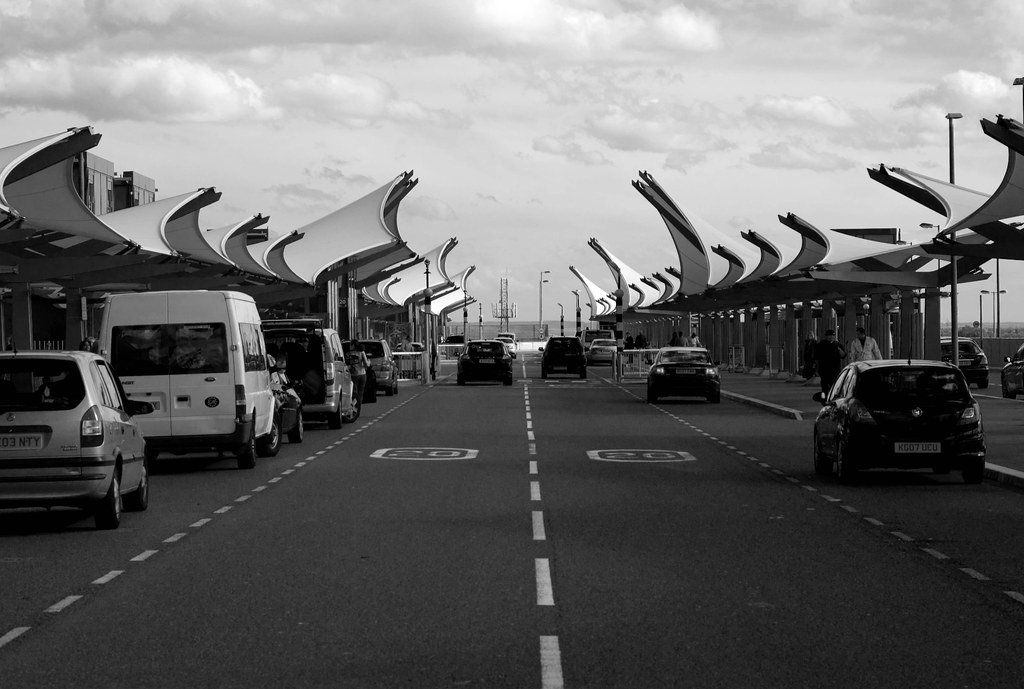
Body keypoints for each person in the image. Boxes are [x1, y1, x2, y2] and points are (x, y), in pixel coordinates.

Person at [813, 329, 847, 393]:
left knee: (834, 386)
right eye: (829, 335)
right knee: (824, 386)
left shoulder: (837, 344)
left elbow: (843, 355)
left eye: (833, 336)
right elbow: (816, 357)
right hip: (824, 370)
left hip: (835, 370)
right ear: (826, 336)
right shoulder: (821, 344)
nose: (831, 337)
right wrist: (816, 369)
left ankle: (832, 399)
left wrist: (838, 349)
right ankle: (825, 399)